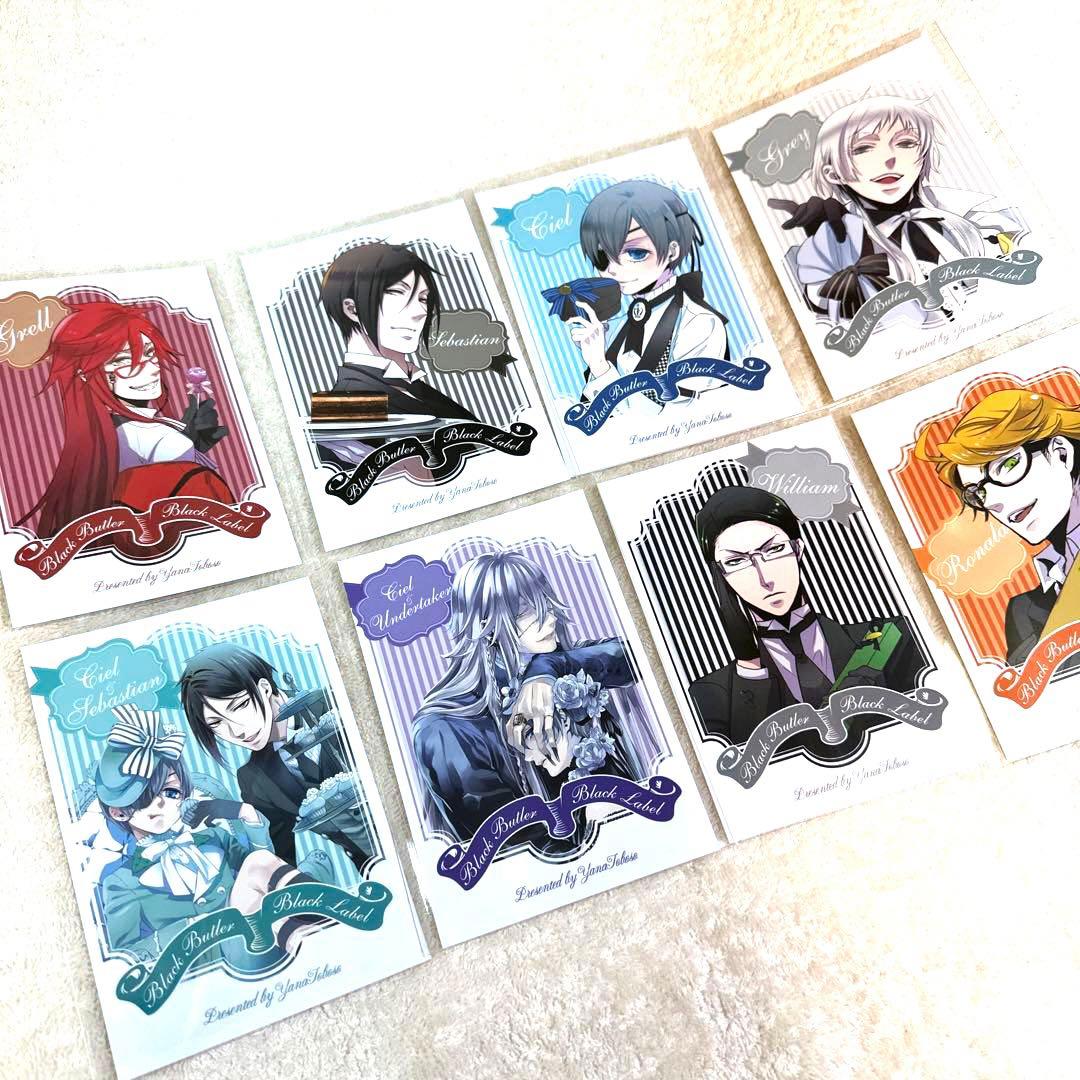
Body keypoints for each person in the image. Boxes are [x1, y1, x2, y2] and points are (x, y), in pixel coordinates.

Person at [412, 551, 647, 847]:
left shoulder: (559, 666)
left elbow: (642, 653)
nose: (549, 618)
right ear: (486, 626)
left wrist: (545, 670)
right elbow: (507, 846)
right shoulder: (445, 727)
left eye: (546, 602)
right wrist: (575, 793)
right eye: (525, 611)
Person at [687, 486, 925, 756]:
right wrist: (750, 666)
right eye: (736, 562)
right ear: (720, 575)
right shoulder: (709, 695)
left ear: (798, 548)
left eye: (774, 549)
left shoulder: (893, 638)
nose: (765, 578)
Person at [771, 96, 1026, 326]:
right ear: (833, 173)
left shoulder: (974, 213)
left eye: (905, 142)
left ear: (923, 154)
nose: (889, 160)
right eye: (863, 148)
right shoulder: (830, 247)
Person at [95, 706, 318, 965]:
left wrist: (244, 813)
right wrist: (198, 927)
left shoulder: (214, 838)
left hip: (261, 940)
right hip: (207, 963)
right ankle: (320, 915)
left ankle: (316, 933)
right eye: (144, 798)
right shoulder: (121, 883)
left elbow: (265, 868)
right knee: (258, 879)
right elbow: (124, 958)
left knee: (258, 866)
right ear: (119, 812)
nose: (160, 804)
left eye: (171, 792)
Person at [21, 300, 231, 539]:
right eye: (124, 360)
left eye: (150, 353)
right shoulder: (161, 438)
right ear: (85, 373)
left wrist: (191, 446)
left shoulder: (99, 441)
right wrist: (184, 450)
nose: (151, 369)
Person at [916, 388, 1080, 665]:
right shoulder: (1025, 610)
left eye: (1007, 464)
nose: (992, 501)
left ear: (1061, 453)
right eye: (977, 492)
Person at [181, 644, 372, 872]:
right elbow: (280, 862)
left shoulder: (334, 703)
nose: (237, 730)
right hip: (372, 868)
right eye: (216, 723)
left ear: (264, 688)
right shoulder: (254, 779)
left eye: (240, 705)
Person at [563, 180, 729, 410]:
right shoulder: (615, 329)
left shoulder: (699, 323)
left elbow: (681, 418)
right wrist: (595, 358)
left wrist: (601, 367)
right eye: (602, 258)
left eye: (635, 253)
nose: (613, 269)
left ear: (671, 251)